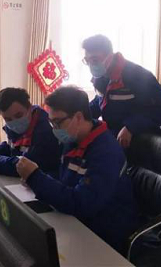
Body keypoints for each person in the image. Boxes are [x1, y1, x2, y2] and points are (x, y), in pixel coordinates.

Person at [16, 86, 137, 254]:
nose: (54, 129)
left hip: (105, 234)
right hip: (77, 222)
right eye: (51, 123)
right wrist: (37, 177)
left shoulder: (106, 151)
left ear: (78, 117)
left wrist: (36, 178)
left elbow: (81, 204)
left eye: (57, 123)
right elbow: (65, 180)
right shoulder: (73, 141)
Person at [82, 34, 161, 148]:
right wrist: (80, 115)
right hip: (113, 137)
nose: (91, 65)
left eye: (95, 60)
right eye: (87, 60)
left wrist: (131, 126)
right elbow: (100, 101)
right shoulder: (101, 77)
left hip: (138, 139)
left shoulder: (138, 75)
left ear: (109, 57)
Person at [0, 87, 61, 177]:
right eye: (8, 119)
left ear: (30, 108)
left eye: (18, 115)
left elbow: (23, 166)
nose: (14, 121)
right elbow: (13, 148)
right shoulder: (12, 127)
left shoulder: (46, 130)